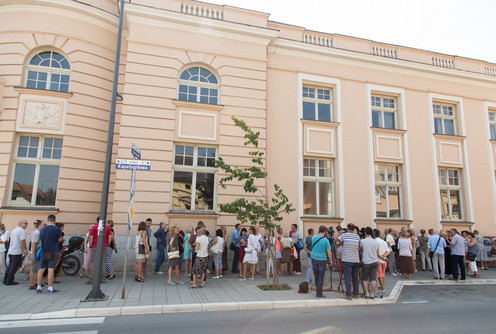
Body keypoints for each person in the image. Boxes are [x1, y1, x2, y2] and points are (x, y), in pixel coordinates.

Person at [36, 215, 63, 293]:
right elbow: (60, 238)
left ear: (48, 220)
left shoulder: (42, 229)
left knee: (41, 269)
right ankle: (50, 287)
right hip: (53, 250)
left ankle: (38, 286)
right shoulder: (56, 229)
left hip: (44, 250)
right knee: (51, 269)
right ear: (54, 220)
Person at [3, 219, 28, 285]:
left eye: (26, 223)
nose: (26, 225)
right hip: (17, 251)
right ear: (20, 224)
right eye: (25, 223)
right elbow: (22, 240)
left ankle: (6, 279)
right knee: (14, 266)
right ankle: (10, 280)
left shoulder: (14, 230)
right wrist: (25, 249)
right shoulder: (21, 231)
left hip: (11, 250)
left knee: (10, 265)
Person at [88, 216, 112, 284]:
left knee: (94, 262)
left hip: (95, 246)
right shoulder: (107, 228)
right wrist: (107, 244)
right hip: (104, 246)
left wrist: (90, 245)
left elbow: (91, 237)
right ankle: (102, 278)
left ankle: (93, 278)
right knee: (103, 262)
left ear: (97, 221)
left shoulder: (94, 227)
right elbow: (110, 237)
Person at [311, 225, 332, 299]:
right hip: (322, 260)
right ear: (325, 232)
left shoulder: (313, 237)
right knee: (321, 277)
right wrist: (331, 260)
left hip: (313, 258)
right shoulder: (325, 240)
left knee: (316, 276)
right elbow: (329, 251)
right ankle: (319, 293)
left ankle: (318, 291)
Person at [340, 223, 361, 299]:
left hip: (347, 259)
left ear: (348, 228)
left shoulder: (344, 235)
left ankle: (348, 294)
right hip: (356, 259)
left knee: (347, 277)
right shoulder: (357, 236)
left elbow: (339, 241)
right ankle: (356, 293)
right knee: (355, 277)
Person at [360, 227, 379, 298]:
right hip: (374, 260)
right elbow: (377, 251)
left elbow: (361, 249)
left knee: (365, 278)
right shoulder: (375, 241)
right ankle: (373, 293)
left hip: (366, 261)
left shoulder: (363, 241)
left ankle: (367, 292)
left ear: (365, 233)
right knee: (373, 278)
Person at [374, 229, 390, 297]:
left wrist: (382, 257)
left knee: (379, 275)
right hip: (384, 261)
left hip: (378, 260)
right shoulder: (383, 241)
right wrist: (384, 256)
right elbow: (388, 250)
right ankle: (383, 287)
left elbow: (376, 253)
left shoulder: (375, 241)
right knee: (383, 275)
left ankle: (382, 288)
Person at [29, 220, 43, 289]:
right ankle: (32, 284)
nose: (45, 226)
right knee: (34, 269)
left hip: (38, 252)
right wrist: (33, 255)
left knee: (37, 268)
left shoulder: (39, 232)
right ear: (39, 226)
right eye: (44, 225)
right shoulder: (37, 233)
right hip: (36, 253)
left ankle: (36, 282)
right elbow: (34, 244)